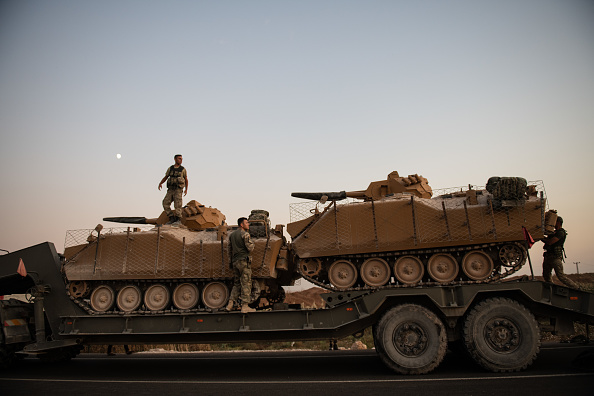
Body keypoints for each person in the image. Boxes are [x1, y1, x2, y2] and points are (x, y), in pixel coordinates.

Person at [225, 217, 256, 313]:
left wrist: (231, 262)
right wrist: (253, 243)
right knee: (246, 283)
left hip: (235, 262)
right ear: (241, 225)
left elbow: (229, 250)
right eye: (246, 223)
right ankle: (245, 306)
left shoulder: (232, 235)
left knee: (237, 283)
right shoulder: (245, 234)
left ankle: (230, 304)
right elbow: (250, 248)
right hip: (243, 261)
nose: (248, 225)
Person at [542, 216, 580, 289]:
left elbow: (550, 242)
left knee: (561, 276)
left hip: (556, 257)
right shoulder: (553, 232)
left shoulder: (561, 233)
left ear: (558, 223)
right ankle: (551, 289)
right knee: (546, 275)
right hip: (548, 256)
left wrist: (541, 237)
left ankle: (576, 288)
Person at [158, 154, 188, 226]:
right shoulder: (170, 168)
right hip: (170, 189)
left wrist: (186, 189)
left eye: (181, 159)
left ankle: (178, 219)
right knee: (165, 203)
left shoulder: (183, 169)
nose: (180, 160)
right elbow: (166, 177)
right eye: (179, 159)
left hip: (178, 189)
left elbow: (186, 179)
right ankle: (171, 217)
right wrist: (160, 183)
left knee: (178, 204)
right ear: (175, 159)